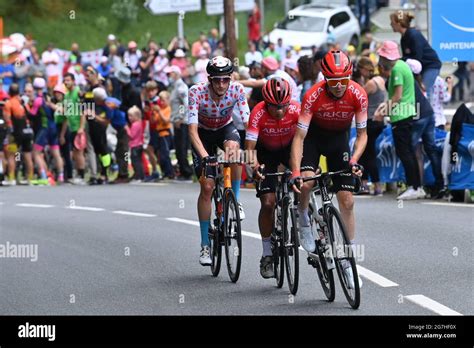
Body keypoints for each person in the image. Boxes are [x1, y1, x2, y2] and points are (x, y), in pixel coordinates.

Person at [290, 51, 367, 289]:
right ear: (324, 78)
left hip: (338, 142)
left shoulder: (358, 94)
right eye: (333, 81)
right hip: (313, 139)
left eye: (343, 80)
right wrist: (295, 172)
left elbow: (363, 135)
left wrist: (354, 159)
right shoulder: (313, 95)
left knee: (347, 201)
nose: (338, 86)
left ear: (349, 76)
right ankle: (303, 218)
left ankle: (348, 260)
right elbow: (299, 137)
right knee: (307, 181)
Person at [188, 56, 250, 266]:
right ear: (210, 79)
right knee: (207, 186)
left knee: (234, 150)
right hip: (203, 135)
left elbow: (248, 122)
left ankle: (236, 199)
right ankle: (205, 244)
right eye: (217, 80)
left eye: (225, 79)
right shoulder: (196, 92)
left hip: (225, 128)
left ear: (230, 78)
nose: (221, 84)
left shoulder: (238, 90)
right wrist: (205, 157)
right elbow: (192, 131)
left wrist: (254, 149)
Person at [245, 78, 300, 278]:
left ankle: (305, 218)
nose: (279, 111)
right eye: (274, 107)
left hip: (289, 149)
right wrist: (255, 166)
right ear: (266, 103)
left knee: (304, 182)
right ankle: (267, 253)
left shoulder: (296, 110)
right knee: (268, 204)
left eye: (283, 106)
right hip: (265, 152)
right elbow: (249, 150)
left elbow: (306, 140)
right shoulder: (258, 113)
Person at [374, 41, 424, 200]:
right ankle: (417, 186)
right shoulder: (402, 65)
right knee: (408, 151)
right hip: (406, 114)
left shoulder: (396, 69)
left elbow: (397, 96)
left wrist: (382, 112)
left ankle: (414, 186)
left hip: (401, 116)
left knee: (405, 152)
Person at [405, 58, 444, 198]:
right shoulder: (428, 82)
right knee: (431, 150)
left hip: (418, 117)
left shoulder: (410, 83)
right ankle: (439, 185)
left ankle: (418, 186)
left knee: (414, 151)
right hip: (431, 115)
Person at [390, 10, 441, 100]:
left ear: (398, 23)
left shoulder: (414, 35)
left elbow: (417, 58)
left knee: (426, 93)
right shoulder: (404, 38)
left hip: (430, 66)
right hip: (420, 67)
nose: (391, 25)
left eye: (392, 23)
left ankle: (430, 113)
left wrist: (400, 60)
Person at [356, 57, 387, 196]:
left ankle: (373, 184)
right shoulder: (380, 80)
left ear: (363, 69)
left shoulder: (370, 84)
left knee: (367, 153)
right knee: (369, 152)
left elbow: (358, 98)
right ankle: (369, 184)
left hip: (370, 120)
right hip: (379, 121)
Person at [166, 65, 193, 180]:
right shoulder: (175, 87)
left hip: (181, 122)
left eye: (170, 74)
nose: (169, 76)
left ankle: (186, 172)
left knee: (182, 147)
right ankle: (182, 171)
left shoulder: (181, 87)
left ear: (176, 74)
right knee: (178, 147)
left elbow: (186, 104)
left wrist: (181, 117)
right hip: (177, 121)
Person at [2, 83, 34, 185]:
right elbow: (29, 115)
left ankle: (11, 179)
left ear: (9, 92)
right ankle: (30, 178)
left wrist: (10, 131)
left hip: (16, 133)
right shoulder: (23, 102)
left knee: (12, 155)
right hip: (28, 132)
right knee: (27, 155)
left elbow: (7, 120)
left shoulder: (9, 103)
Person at [62, 73, 86, 184]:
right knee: (75, 152)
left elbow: (83, 111)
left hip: (78, 127)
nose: (66, 82)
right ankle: (78, 172)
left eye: (68, 80)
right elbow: (66, 114)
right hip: (71, 127)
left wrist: (81, 127)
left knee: (79, 152)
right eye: (65, 80)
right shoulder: (66, 96)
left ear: (73, 81)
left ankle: (82, 175)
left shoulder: (77, 92)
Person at [154, 91, 174, 179]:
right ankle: (164, 172)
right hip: (159, 133)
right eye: (160, 101)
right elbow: (154, 121)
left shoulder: (168, 109)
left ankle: (169, 173)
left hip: (165, 133)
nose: (161, 103)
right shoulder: (160, 109)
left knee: (165, 154)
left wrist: (159, 112)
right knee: (160, 155)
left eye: (163, 101)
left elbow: (166, 120)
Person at [125, 106, 144, 182]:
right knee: (138, 161)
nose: (129, 118)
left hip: (135, 145)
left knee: (135, 161)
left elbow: (132, 135)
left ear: (137, 116)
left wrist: (127, 129)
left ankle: (138, 176)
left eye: (131, 116)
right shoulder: (140, 123)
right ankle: (140, 175)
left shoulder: (135, 125)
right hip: (139, 144)